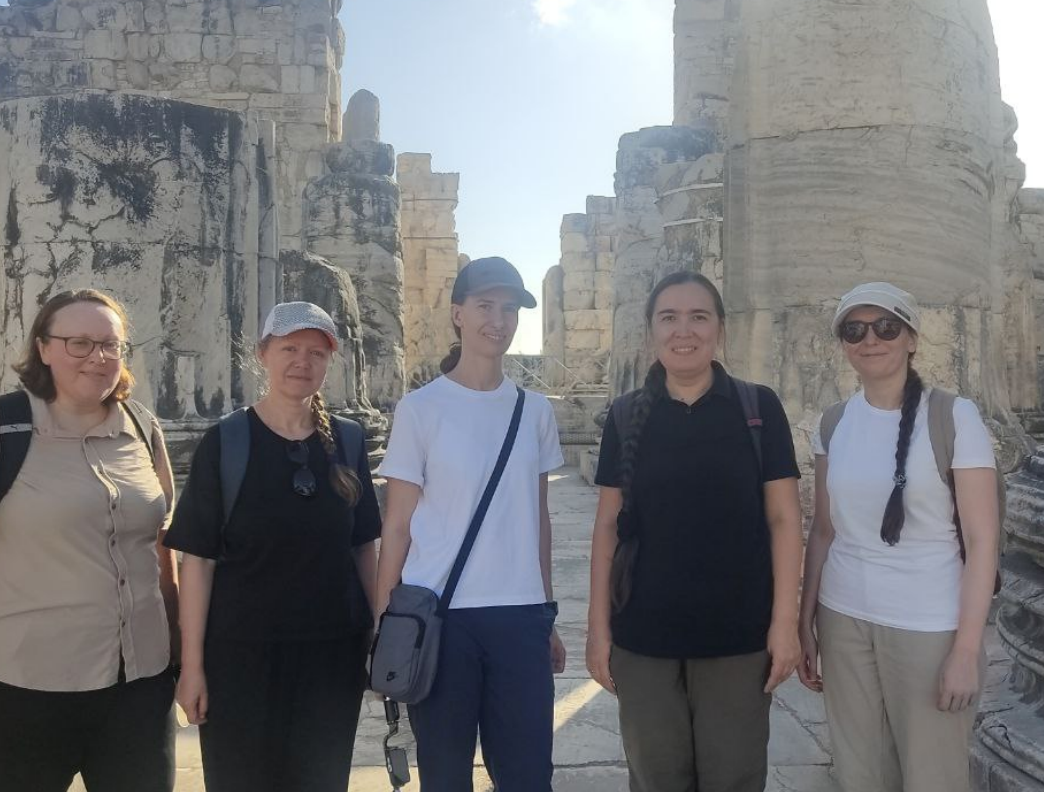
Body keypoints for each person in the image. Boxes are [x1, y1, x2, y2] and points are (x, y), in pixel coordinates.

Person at [0, 289, 178, 792]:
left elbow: (161, 549)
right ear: (44, 347)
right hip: (23, 684)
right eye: (79, 343)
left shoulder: (143, 428)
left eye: (110, 345)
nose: (97, 357)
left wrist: (181, 656)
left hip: (139, 684)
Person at [585, 270, 804, 792]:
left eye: (698, 317)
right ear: (650, 333)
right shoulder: (622, 416)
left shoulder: (759, 409)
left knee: (733, 779)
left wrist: (785, 623)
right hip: (643, 638)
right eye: (669, 318)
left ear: (720, 330)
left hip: (738, 638)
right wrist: (597, 630)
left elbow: (784, 519)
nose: (684, 331)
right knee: (656, 779)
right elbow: (607, 529)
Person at [165, 301, 380, 791]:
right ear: (263, 354)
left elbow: (363, 547)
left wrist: (378, 636)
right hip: (240, 659)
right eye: (289, 349)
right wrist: (192, 667)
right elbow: (197, 561)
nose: (302, 362)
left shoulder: (347, 441)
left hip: (331, 657)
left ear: (330, 361)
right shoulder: (225, 442)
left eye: (316, 352)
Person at [797, 282, 1000, 792]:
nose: (871, 339)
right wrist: (806, 623)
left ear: (911, 338)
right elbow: (823, 531)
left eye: (886, 326)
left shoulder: (955, 417)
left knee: (933, 774)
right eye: (854, 329)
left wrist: (966, 651)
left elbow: (982, 542)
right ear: (843, 342)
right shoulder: (833, 422)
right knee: (858, 770)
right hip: (844, 618)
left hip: (928, 624)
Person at [375, 256, 566, 792]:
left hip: (520, 618)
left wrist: (546, 611)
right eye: (485, 306)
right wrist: (383, 624)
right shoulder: (420, 408)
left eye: (510, 309)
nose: (498, 321)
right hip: (442, 619)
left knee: (529, 776)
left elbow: (538, 520)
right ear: (457, 313)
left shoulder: (535, 410)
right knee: (445, 777)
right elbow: (397, 527)